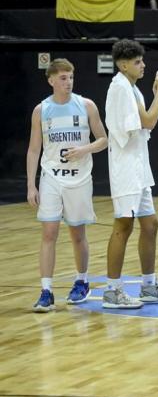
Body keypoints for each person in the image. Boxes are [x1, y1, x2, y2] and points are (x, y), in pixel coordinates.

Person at [103, 39, 158, 309]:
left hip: (139, 167)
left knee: (151, 224)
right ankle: (112, 290)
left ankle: (148, 285)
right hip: (125, 169)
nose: (143, 65)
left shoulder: (132, 89)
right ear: (123, 64)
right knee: (123, 226)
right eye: (137, 61)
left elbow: (148, 121)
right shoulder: (120, 88)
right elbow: (149, 120)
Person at [27, 59, 108, 312]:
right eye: (63, 78)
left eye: (71, 77)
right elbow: (33, 149)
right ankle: (46, 291)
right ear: (51, 80)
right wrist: (31, 185)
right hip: (51, 175)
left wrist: (84, 149)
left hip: (79, 178)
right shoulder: (41, 110)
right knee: (49, 232)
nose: (68, 82)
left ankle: (82, 281)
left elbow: (104, 139)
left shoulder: (86, 106)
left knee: (77, 233)